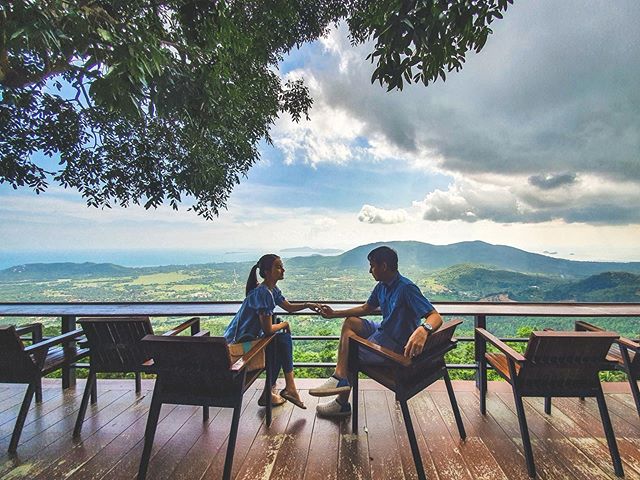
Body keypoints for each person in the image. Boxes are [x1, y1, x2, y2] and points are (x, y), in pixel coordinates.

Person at [310, 245, 443, 417]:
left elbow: (435, 316)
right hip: (384, 329)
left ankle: (341, 403)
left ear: (384, 266)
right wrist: (334, 314)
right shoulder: (382, 286)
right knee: (351, 323)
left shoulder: (406, 288)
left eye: (372, 266)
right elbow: (366, 308)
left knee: (349, 350)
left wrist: (423, 330)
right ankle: (340, 376)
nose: (369, 271)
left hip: (394, 345)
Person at [223, 254, 315, 409]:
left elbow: (288, 307)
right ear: (267, 272)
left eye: (282, 266)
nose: (283, 270)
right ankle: (286, 389)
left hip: (244, 342)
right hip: (236, 348)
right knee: (281, 340)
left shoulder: (270, 290)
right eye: (278, 267)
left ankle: (278, 390)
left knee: (280, 341)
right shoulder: (264, 293)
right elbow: (267, 329)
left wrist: (308, 305)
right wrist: (284, 324)